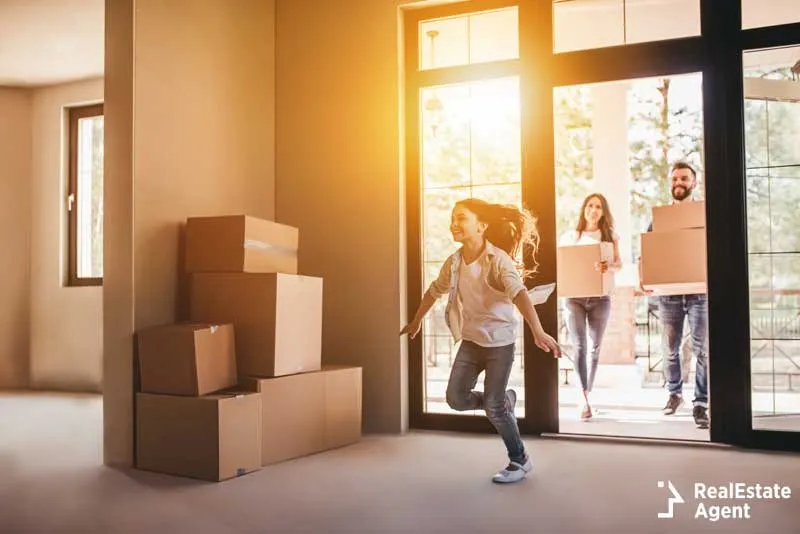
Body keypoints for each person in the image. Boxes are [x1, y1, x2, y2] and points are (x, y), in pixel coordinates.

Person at [401, 198, 560, 484]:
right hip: (472, 342)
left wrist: (537, 331)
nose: (454, 223)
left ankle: (519, 459)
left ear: (482, 226)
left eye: (462, 218)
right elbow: (433, 291)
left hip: (500, 344)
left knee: (495, 408)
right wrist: (416, 322)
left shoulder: (498, 259)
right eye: (453, 218)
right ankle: (499, 402)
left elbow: (520, 294)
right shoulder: (453, 263)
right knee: (455, 399)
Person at [640, 161, 710, 429]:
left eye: (683, 178)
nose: (678, 183)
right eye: (674, 179)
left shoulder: (703, 214)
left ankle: (701, 403)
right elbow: (648, 250)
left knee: (702, 350)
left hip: (699, 292)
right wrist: (646, 280)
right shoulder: (660, 217)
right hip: (668, 294)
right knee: (670, 350)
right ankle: (674, 394)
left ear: (694, 182)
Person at [559, 193, 622, 421]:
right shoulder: (570, 236)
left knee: (595, 348)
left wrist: (609, 266)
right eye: (590, 205)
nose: (593, 210)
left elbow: (619, 264)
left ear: (603, 212)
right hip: (574, 298)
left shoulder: (610, 236)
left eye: (598, 207)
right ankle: (582, 398)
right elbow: (562, 263)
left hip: (600, 298)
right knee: (579, 347)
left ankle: (589, 393)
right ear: (583, 209)